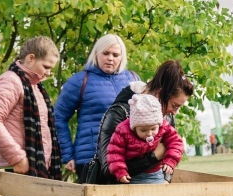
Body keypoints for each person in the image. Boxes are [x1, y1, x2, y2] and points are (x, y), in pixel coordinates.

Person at [53, 34, 138, 182]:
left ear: (122, 57)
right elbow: (58, 117)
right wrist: (68, 155)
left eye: (115, 55)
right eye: (106, 53)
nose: (110, 58)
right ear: (96, 54)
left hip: (127, 159)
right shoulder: (80, 80)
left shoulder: (133, 79)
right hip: (91, 159)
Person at [94, 60, 195, 183]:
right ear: (160, 93)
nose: (175, 112)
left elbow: (171, 155)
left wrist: (166, 180)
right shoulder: (119, 113)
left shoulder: (166, 118)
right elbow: (108, 170)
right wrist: (154, 156)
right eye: (174, 105)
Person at [0, 36, 61, 178]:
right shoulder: (10, 81)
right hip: (14, 168)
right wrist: (16, 157)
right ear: (31, 58)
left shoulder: (35, 87)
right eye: (46, 67)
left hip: (32, 168)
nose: (48, 73)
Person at [106, 94, 185, 185]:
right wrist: (119, 171)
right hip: (131, 176)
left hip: (154, 175)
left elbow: (176, 142)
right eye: (143, 130)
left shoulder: (164, 127)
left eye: (153, 129)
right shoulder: (123, 131)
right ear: (134, 128)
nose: (149, 134)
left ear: (159, 124)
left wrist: (170, 160)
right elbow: (115, 152)